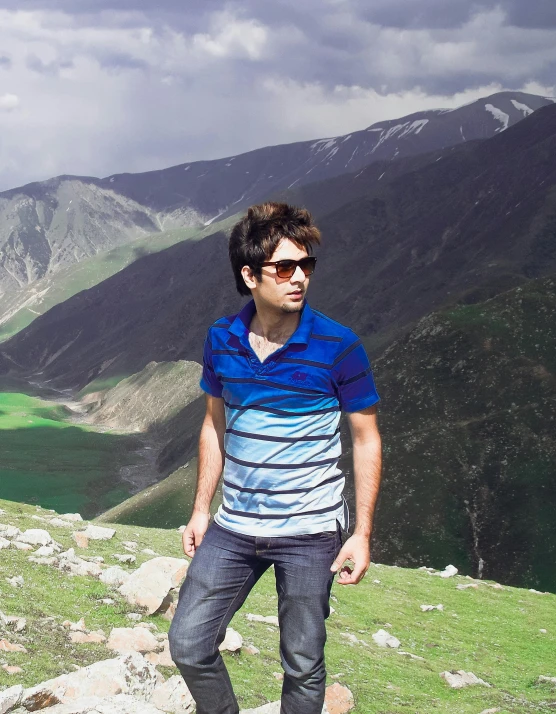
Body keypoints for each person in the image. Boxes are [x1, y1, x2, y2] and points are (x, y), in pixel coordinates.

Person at [169, 202, 382, 714]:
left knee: (303, 663)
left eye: (306, 265)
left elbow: (366, 438)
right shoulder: (221, 339)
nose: (299, 278)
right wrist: (201, 508)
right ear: (249, 274)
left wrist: (362, 533)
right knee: (189, 642)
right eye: (284, 267)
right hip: (235, 524)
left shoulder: (339, 345)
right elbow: (214, 425)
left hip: (311, 531)